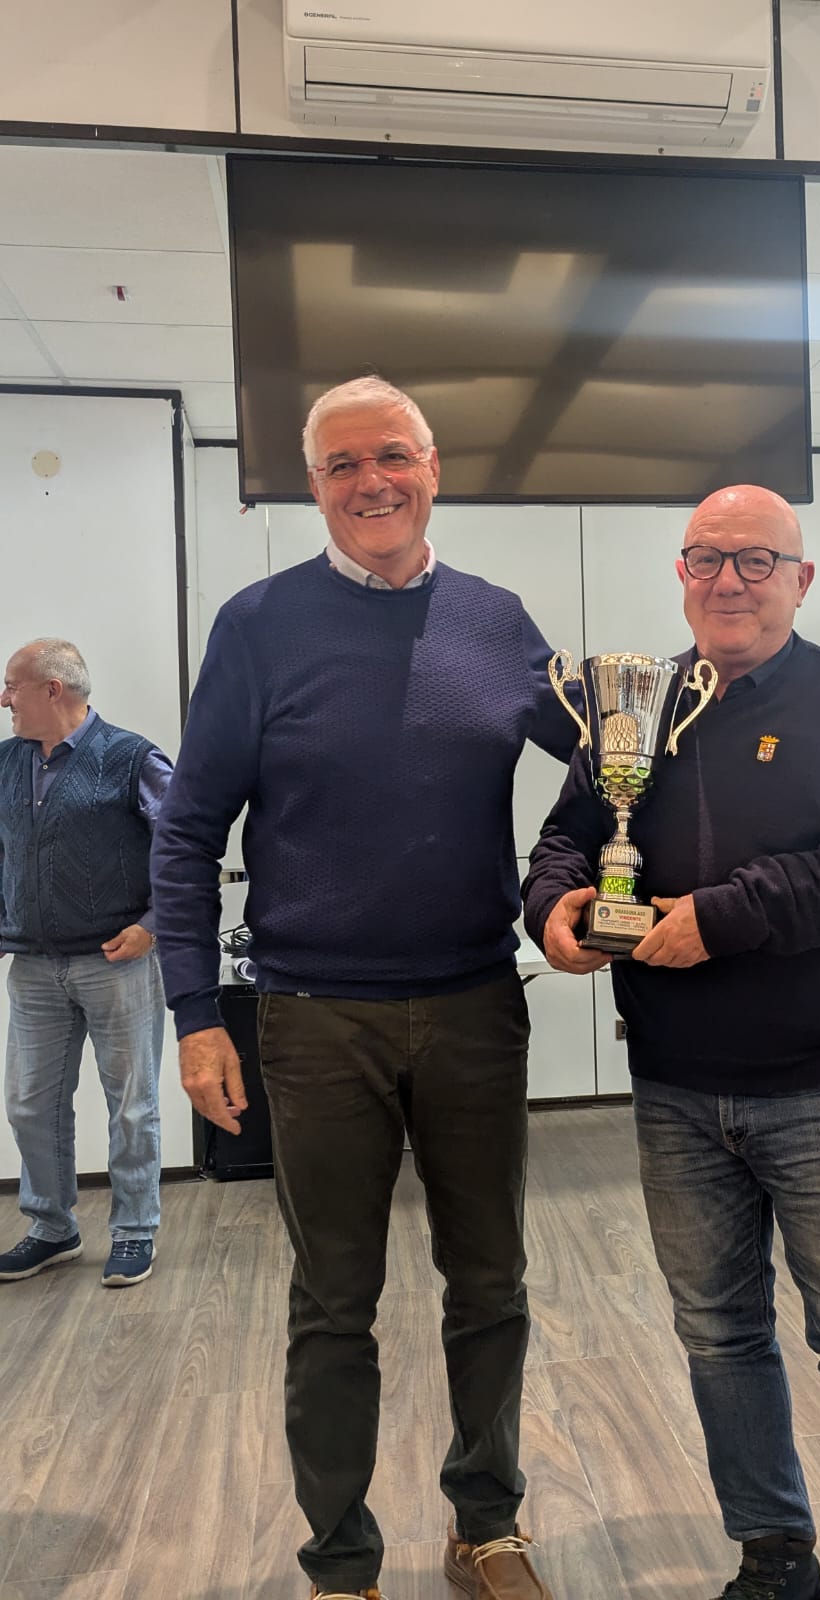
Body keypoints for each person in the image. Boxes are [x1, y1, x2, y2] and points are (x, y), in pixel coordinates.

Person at [151, 376, 575, 1600]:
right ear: (314, 486)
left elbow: (611, 763)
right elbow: (187, 834)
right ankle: (341, 1563)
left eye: (392, 455)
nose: (370, 481)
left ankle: (485, 1525)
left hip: (474, 1005)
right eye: (341, 464)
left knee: (489, 1283)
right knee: (333, 1301)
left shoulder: (496, 622)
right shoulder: (257, 625)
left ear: (432, 469)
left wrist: (573, 881)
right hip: (314, 1016)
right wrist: (195, 1016)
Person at [523, 485, 820, 1600]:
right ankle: (775, 1557)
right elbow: (569, 834)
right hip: (674, 1085)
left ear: (800, 581)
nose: (729, 581)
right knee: (719, 1337)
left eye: (756, 560)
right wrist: (555, 906)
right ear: (680, 575)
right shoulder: (635, 708)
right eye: (706, 558)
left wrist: (720, 916)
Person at [0, 638, 170, 1289]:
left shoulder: (131, 758)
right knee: (28, 1104)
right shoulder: (5, 763)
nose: (4, 698)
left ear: (53, 689)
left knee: (131, 1105)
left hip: (116, 962)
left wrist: (153, 925)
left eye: (12, 685)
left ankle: (134, 1230)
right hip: (34, 967)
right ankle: (52, 1229)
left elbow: (184, 844)